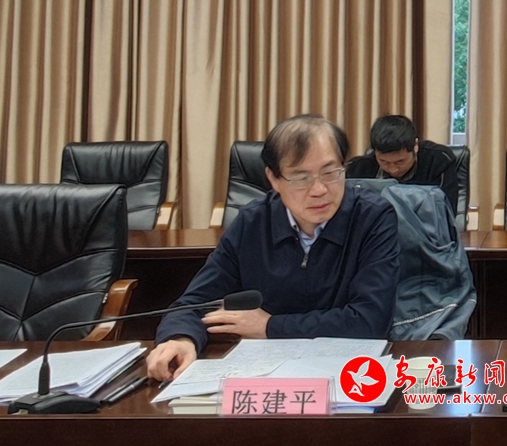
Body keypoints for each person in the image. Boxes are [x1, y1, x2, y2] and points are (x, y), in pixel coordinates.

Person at [147, 114, 399, 382]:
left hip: (354, 374)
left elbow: (370, 320)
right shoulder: (252, 222)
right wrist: (181, 338)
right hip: (264, 375)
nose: (319, 189)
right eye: (301, 178)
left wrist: (270, 326)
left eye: (330, 173)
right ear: (274, 179)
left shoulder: (372, 217)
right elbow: (195, 302)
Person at [346, 115, 458, 215]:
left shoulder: (438, 161)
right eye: (384, 162)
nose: (393, 170)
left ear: (415, 146)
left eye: (400, 162)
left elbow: (446, 213)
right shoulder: (358, 168)